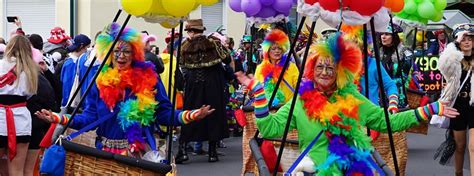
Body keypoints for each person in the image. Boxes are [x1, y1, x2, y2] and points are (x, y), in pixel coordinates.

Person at [235, 33, 459, 175]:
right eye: (319, 67)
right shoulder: (300, 101)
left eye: (330, 68)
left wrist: (428, 109)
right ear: (312, 69)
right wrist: (260, 97)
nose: (324, 73)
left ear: (339, 73)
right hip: (311, 170)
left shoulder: (353, 100)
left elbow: (386, 122)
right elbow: (270, 128)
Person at [35, 23, 214, 158]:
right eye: (116, 51)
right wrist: (58, 118)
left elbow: (163, 114)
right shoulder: (99, 80)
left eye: (126, 51)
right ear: (109, 53)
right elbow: (89, 118)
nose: (121, 56)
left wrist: (189, 115)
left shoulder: (149, 79)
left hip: (139, 154)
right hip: (105, 155)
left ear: (135, 53)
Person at [177, 19, 230, 163]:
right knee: (213, 115)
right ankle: (212, 153)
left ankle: (182, 150)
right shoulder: (214, 43)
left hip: (194, 85)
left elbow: (180, 66)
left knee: (191, 115)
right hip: (213, 84)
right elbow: (227, 58)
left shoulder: (184, 46)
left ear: (192, 32)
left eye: (189, 32)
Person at [0, 35, 39, 176]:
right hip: (21, 121)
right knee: (17, 170)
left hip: (0, 118)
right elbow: (30, 94)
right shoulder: (31, 69)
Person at [438, 23, 474, 176]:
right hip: (457, 105)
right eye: (463, 38)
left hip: (473, 104)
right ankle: (458, 173)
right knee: (460, 146)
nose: (467, 41)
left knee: (473, 146)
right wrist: (454, 44)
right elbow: (443, 65)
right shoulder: (453, 59)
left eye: (470, 38)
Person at [379, 24, 415, 108]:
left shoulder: (406, 52)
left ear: (395, 37)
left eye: (387, 34)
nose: (383, 37)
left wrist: (388, 84)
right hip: (380, 96)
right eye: (382, 34)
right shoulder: (376, 52)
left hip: (399, 94)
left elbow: (405, 76)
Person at [60, 34, 91, 112]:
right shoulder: (70, 64)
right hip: (72, 107)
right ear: (81, 47)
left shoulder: (76, 62)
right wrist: (67, 106)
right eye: (87, 48)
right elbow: (68, 88)